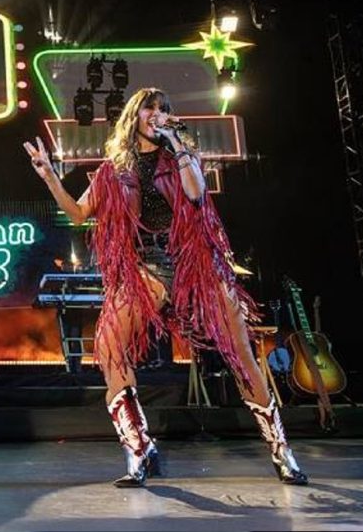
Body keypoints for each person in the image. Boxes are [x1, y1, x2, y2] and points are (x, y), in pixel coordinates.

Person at [24, 87, 307, 487]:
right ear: (134, 117)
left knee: (241, 354)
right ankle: (139, 449)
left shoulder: (183, 157)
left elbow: (195, 193)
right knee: (109, 345)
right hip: (147, 267)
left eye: (164, 109)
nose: (157, 114)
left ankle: (281, 451)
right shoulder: (113, 170)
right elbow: (78, 214)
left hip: (196, 264)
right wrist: (50, 176)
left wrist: (177, 142)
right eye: (150, 108)